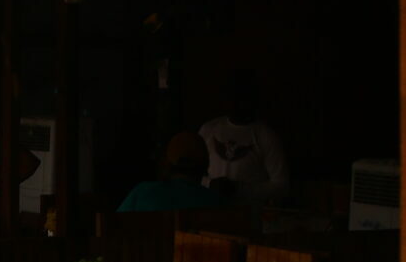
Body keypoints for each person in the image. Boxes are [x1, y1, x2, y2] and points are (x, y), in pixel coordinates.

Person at [200, 71, 290, 207]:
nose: (238, 103)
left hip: (248, 216)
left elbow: (281, 185)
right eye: (233, 97)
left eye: (242, 98)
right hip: (212, 212)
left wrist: (240, 191)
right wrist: (210, 184)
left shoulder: (265, 136)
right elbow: (190, 177)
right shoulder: (208, 130)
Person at [118, 132, 224, 213]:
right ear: (206, 165)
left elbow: (114, 225)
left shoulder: (142, 193)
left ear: (167, 163)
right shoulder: (215, 202)